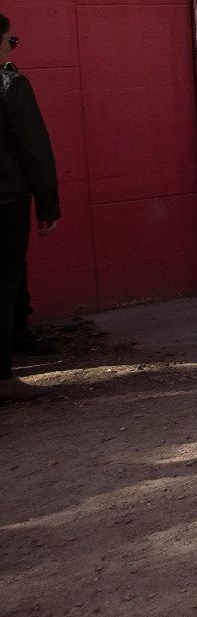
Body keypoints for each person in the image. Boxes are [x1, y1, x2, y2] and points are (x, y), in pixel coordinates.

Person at [0, 20, 60, 401]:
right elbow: (35, 150)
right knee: (5, 279)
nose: (13, 45)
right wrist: (48, 204)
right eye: (10, 39)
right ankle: (2, 377)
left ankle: (17, 337)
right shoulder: (11, 86)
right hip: (6, 200)